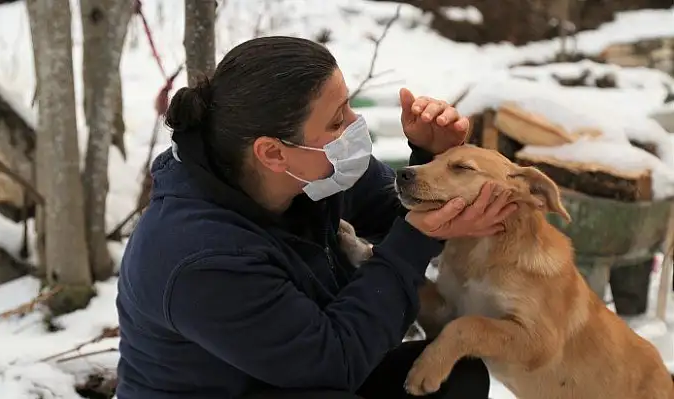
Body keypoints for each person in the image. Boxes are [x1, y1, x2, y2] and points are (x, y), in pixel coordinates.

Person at [115, 36, 517, 399]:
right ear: (273, 153)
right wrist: (414, 240)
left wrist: (432, 159)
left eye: (348, 108)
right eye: (336, 121)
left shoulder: (311, 170)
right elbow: (333, 364)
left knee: (453, 379)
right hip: (265, 382)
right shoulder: (198, 257)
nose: (355, 127)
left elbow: (393, 214)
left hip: (295, 373)